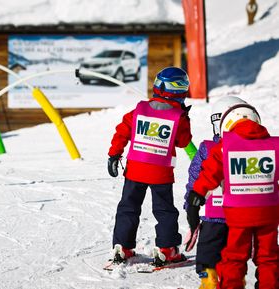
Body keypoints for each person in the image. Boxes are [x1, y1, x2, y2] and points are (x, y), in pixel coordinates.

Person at [187, 103, 279, 289]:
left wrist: (196, 198)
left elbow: (208, 174)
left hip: (238, 214)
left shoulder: (225, 146)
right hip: (268, 213)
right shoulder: (275, 145)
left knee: (234, 257)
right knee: (268, 256)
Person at [107, 67, 192, 266]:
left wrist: (114, 154)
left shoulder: (140, 109)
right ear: (179, 90)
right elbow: (183, 141)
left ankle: (123, 246)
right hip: (159, 172)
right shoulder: (178, 116)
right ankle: (166, 248)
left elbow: (122, 131)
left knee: (128, 207)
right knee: (164, 210)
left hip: (135, 170)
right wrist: (184, 117)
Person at [183, 96, 248, 289]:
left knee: (208, 254)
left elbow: (194, 180)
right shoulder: (250, 148)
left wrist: (190, 206)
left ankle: (209, 281)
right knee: (235, 258)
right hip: (241, 218)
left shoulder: (208, 148)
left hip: (214, 218)